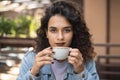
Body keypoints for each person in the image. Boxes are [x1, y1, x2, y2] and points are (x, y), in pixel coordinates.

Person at [17, 0, 99, 80]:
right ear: (46, 33)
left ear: (74, 32)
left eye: (67, 30)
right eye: (53, 30)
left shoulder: (85, 60)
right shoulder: (31, 59)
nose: (60, 37)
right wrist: (33, 72)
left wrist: (81, 72)